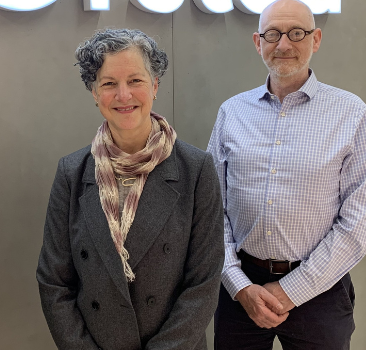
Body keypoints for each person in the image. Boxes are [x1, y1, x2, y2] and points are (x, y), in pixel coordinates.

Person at [37, 28, 225, 350]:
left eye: (135, 80)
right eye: (109, 83)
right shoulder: (72, 172)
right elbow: (54, 282)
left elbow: (203, 283)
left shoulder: (195, 169)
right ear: (94, 93)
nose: (123, 95)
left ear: (154, 85)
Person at [208, 0, 366, 349]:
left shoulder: (350, 113)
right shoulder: (232, 112)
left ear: (315, 39)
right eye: (272, 34)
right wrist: (238, 285)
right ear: (258, 42)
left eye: (296, 33)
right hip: (242, 290)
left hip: (321, 290)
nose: (283, 44)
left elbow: (357, 223)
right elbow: (210, 209)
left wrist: (290, 290)